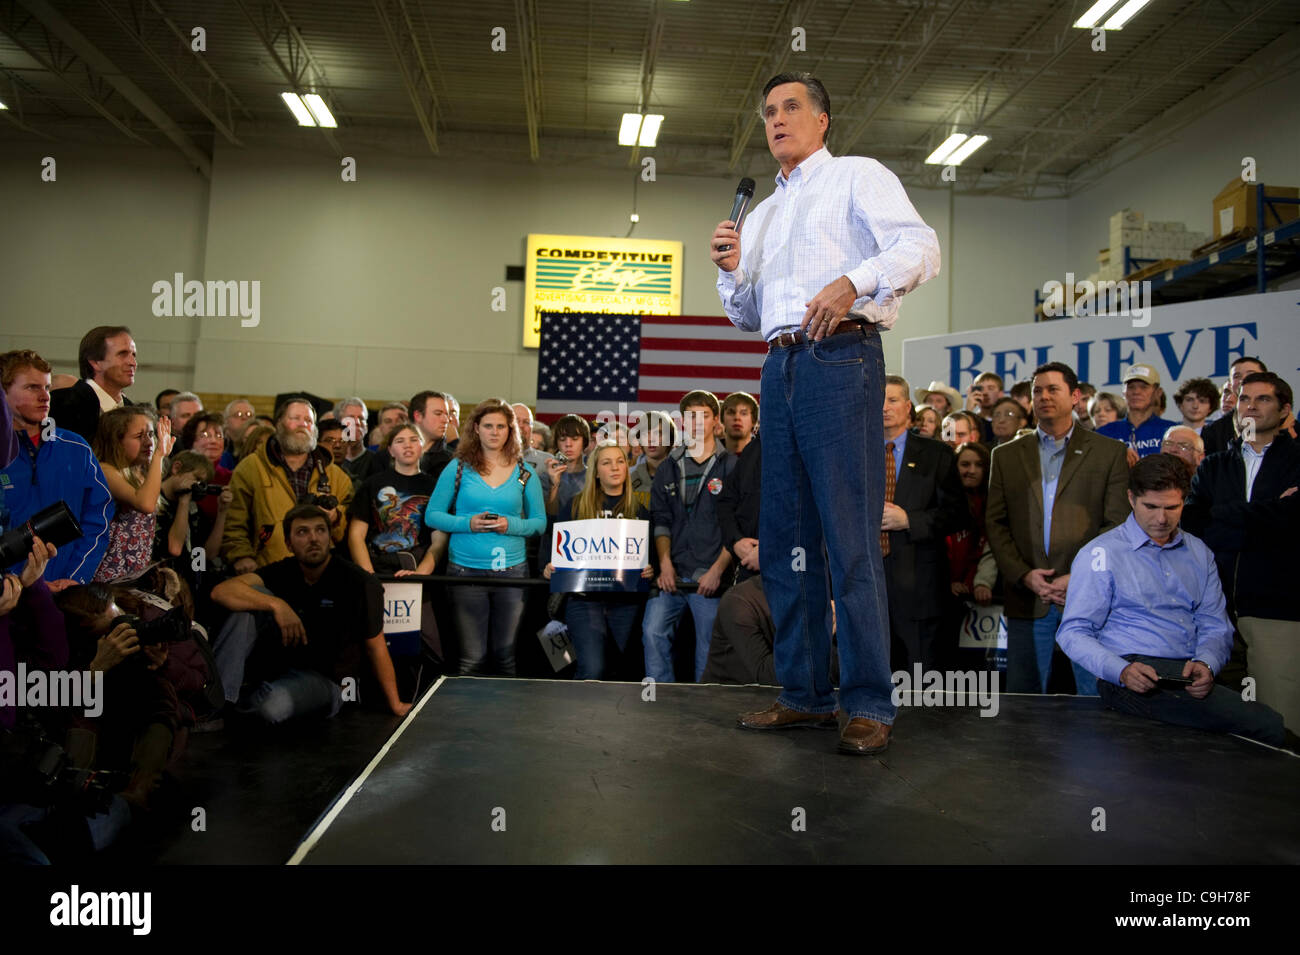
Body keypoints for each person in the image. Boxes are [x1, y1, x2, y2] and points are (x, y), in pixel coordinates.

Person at [711, 70, 939, 754]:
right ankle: (805, 694)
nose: (776, 120)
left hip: (842, 359)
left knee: (848, 539)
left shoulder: (857, 176)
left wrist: (854, 279)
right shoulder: (768, 213)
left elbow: (922, 248)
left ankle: (869, 701)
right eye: (768, 112)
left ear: (822, 120)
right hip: (778, 364)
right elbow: (749, 315)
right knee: (785, 543)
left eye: (790, 108)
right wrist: (730, 270)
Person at [1056, 454, 1286, 747]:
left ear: (1184, 502)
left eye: (1172, 507)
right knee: (1267, 726)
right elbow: (1072, 631)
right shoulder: (1100, 553)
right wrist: (1121, 671)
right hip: (1129, 671)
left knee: (1251, 732)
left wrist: (1207, 662)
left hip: (1186, 671)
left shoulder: (1199, 552)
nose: (1161, 519)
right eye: (1151, 507)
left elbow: (1215, 624)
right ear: (1131, 498)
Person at [985, 362, 1130, 695]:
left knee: (1095, 698)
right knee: (1025, 702)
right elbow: (995, 522)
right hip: (1027, 594)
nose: (1044, 396)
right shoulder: (1005, 456)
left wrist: (1078, 576)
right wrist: (1023, 575)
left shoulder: (1109, 453)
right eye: (1038, 390)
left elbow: (1117, 525)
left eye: (1053, 389)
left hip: (1089, 597)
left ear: (1076, 396)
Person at [210, 505, 410, 723]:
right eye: (302, 532)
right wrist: (277, 605)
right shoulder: (283, 570)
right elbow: (221, 592)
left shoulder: (359, 582)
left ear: (330, 538)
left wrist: (396, 704)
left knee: (273, 705)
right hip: (277, 670)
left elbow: (376, 646)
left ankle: (243, 703)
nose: (313, 538)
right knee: (247, 601)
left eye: (320, 530)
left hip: (325, 680)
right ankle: (218, 702)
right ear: (288, 543)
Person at [1183, 372, 1299, 733]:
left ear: (1285, 410)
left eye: (1262, 399)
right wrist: (1267, 512)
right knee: (1221, 727)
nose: (1250, 405)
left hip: (1277, 608)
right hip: (1215, 613)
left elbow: (1293, 520)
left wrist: (1223, 516)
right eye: (1244, 398)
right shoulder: (1215, 464)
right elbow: (1191, 523)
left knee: (1281, 723)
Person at [425, 399, 546, 675]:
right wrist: (469, 523)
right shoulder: (458, 468)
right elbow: (432, 515)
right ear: (476, 429)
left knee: (506, 658)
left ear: (510, 431)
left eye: (501, 426)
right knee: (471, 659)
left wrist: (510, 525)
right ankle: (469, 718)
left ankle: (504, 718)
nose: (494, 432)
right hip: (466, 572)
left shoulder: (525, 473)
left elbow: (539, 523)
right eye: (488, 426)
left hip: (513, 572)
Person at [642, 391, 737, 683]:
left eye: (704, 416)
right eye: (690, 416)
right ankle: (660, 701)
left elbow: (737, 527)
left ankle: (702, 707)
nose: (696, 423)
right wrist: (665, 564)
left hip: (710, 575)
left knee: (708, 646)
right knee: (652, 631)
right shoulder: (669, 465)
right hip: (673, 572)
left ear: (716, 421)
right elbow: (662, 520)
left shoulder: (731, 465)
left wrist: (717, 571)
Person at [1, 350, 112, 590]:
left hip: (64, 589)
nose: (44, 397)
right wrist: (12, 582)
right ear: (3, 393)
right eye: (32, 387)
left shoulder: (76, 448)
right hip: (7, 592)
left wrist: (75, 577)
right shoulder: (3, 453)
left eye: (47, 388)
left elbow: (98, 520)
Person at [542, 441, 653, 679]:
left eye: (620, 461)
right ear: (596, 471)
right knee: (592, 668)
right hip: (584, 601)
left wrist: (649, 570)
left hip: (625, 602)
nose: (615, 467)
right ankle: (579, 715)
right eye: (607, 462)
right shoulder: (575, 505)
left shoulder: (640, 510)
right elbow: (555, 549)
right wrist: (549, 567)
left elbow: (648, 558)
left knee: (621, 669)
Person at [879, 376, 968, 670]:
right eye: (878, 399)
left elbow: (957, 514)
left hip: (919, 589)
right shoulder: (856, 454)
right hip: (869, 589)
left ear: (908, 408)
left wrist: (909, 520)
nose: (884, 407)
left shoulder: (936, 454)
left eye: (892, 400)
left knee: (920, 688)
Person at [221, 398, 353, 573]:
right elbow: (233, 521)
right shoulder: (251, 468)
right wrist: (241, 556)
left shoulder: (336, 477)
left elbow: (351, 529)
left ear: (314, 429)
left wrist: (336, 517)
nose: (302, 425)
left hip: (320, 573)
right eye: (295, 418)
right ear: (279, 424)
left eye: (308, 421)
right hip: (266, 571)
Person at [91, 406, 174, 583]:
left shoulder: (141, 472)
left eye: (151, 435)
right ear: (116, 441)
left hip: (134, 572)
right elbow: (145, 504)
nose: (149, 443)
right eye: (139, 436)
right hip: (109, 572)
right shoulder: (106, 470)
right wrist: (159, 456)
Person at [347, 422, 438, 575]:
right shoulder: (373, 484)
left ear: (422, 447)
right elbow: (356, 535)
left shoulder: (434, 486)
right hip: (377, 566)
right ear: (390, 450)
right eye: (400, 441)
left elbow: (439, 541)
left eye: (414, 440)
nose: (407, 445)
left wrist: (420, 575)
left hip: (417, 566)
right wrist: (369, 575)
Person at [48, 326, 136, 443]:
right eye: (122, 354)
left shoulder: (134, 412)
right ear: (95, 362)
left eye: (133, 355)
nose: (133, 362)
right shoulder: (61, 405)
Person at [1096, 364, 1180, 463]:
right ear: (1124, 392)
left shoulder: (1173, 431)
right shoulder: (1104, 433)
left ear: (1158, 392)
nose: (1136, 391)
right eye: (1131, 387)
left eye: (1144, 387)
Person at [1201, 357, 1266, 455]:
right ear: (1230, 383)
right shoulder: (1214, 431)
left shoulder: (1280, 419)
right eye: (1237, 376)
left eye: (1251, 374)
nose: (1243, 380)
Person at [545, 413, 591, 516]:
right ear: (556, 443)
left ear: (585, 441)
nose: (568, 444)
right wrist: (554, 485)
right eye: (562, 439)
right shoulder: (546, 476)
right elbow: (550, 516)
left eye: (575, 439)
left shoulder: (594, 476)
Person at [219, 399, 257, 469]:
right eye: (238, 414)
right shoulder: (219, 448)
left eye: (249, 414)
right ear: (226, 421)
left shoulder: (259, 447)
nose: (244, 418)